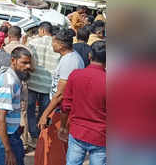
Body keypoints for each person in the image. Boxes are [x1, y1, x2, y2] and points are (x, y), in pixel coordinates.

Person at [34, 29, 84, 165]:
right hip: (58, 108)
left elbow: (61, 93)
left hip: (61, 110)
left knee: (54, 148)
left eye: (53, 42)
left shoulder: (70, 61)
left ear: (61, 45)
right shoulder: (69, 58)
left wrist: (45, 113)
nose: (52, 45)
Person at [58, 40, 106, 165]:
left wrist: (63, 126)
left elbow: (65, 105)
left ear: (90, 55)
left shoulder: (75, 75)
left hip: (78, 131)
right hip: (100, 135)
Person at [0, 47, 32, 165]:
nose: (28, 66)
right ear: (13, 61)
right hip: (2, 136)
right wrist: (8, 149)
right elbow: (0, 118)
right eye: (24, 63)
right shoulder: (9, 82)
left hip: (9, 132)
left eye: (29, 63)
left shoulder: (14, 78)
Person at [25, 22, 60, 149]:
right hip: (48, 85)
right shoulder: (57, 44)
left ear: (42, 30)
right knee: (44, 111)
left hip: (33, 83)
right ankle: (41, 133)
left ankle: (33, 135)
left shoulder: (33, 43)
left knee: (30, 110)